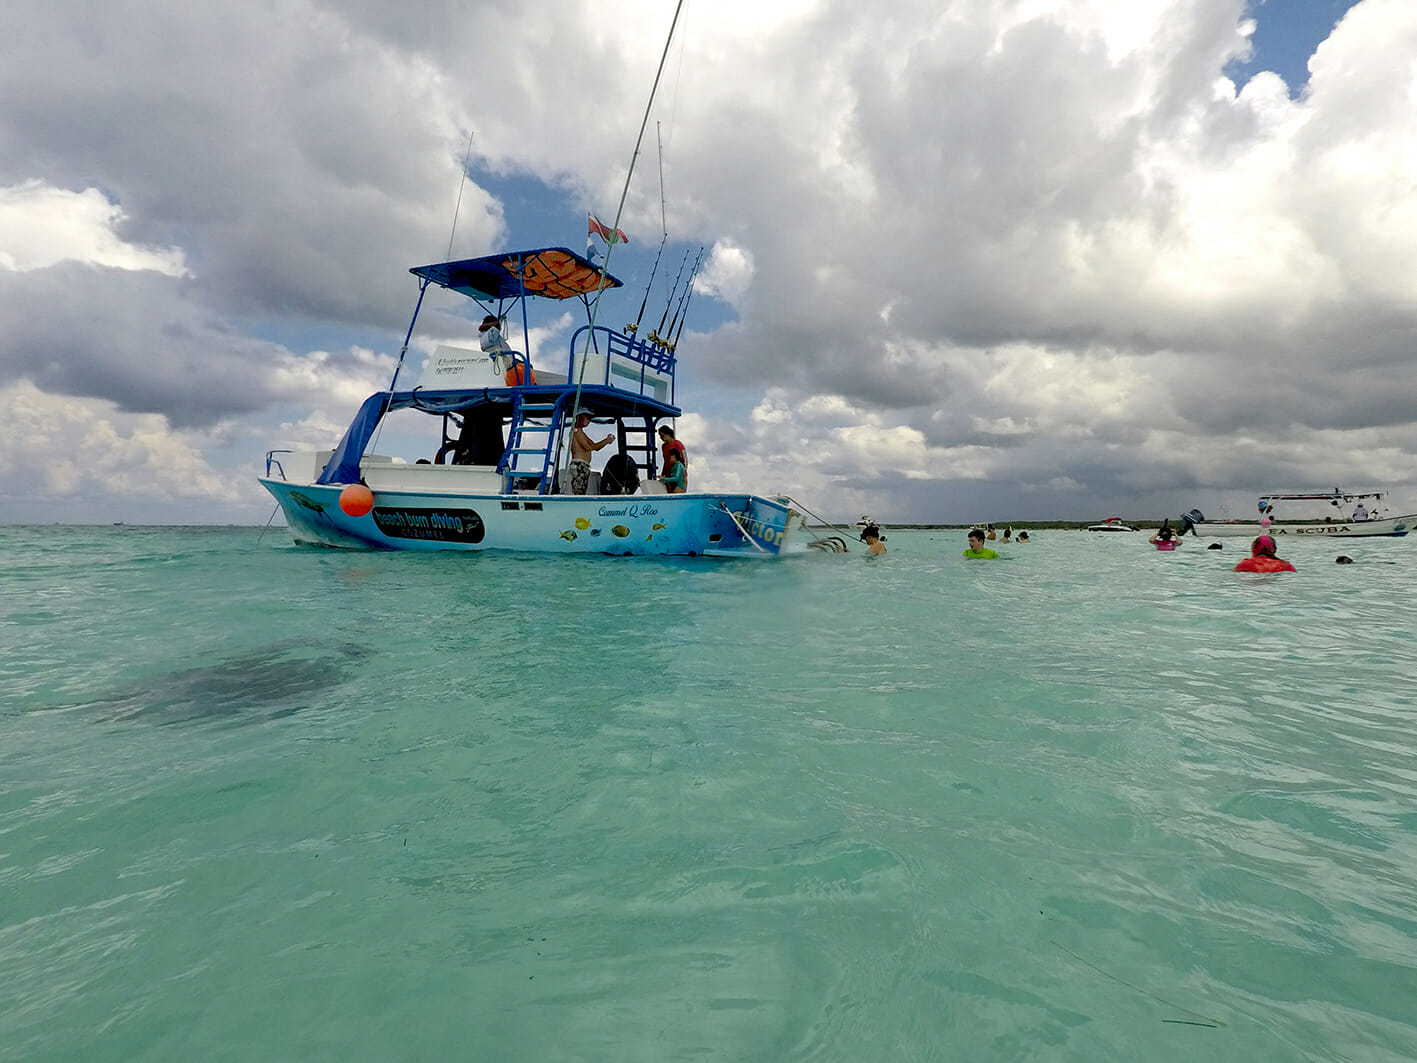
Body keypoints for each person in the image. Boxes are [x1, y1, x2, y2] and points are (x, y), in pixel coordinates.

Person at [479, 313, 535, 385]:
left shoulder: (485, 336)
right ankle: (531, 386)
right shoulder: (490, 335)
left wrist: (500, 321)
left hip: (504, 360)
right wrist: (498, 322)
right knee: (528, 366)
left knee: (525, 365)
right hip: (506, 361)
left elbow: (495, 329)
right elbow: (496, 329)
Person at [569, 411, 613, 495]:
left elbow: (595, 447)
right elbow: (588, 448)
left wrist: (606, 441)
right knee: (579, 490)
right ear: (579, 417)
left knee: (582, 489)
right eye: (587, 417)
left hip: (583, 466)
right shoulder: (576, 431)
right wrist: (607, 441)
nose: (589, 420)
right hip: (579, 465)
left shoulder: (581, 433)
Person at [657, 424, 687, 491]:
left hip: (678, 473)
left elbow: (684, 458)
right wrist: (663, 474)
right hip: (668, 473)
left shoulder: (677, 444)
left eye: (663, 436)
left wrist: (684, 474)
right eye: (660, 436)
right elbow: (666, 461)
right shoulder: (664, 446)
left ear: (668, 434)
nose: (661, 438)